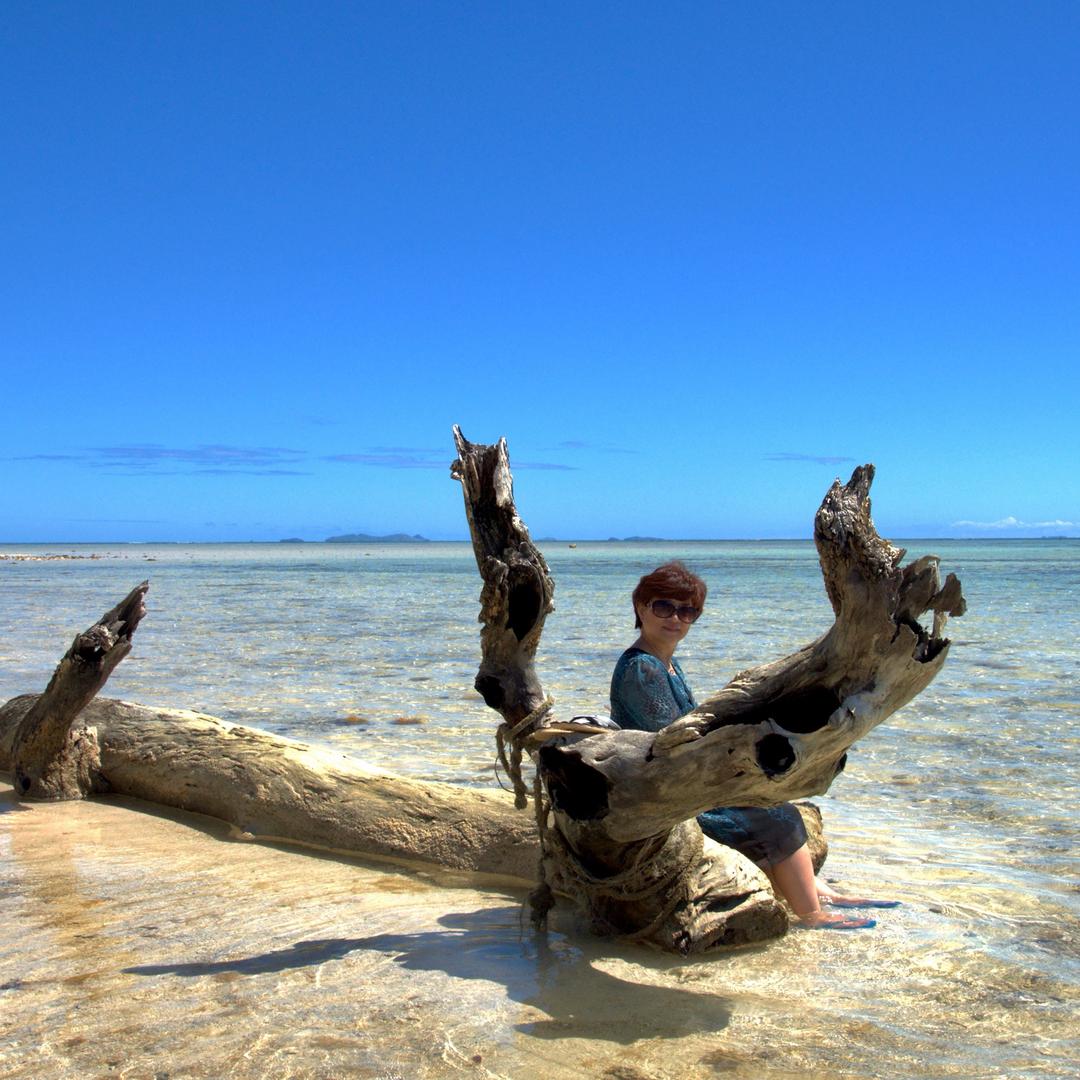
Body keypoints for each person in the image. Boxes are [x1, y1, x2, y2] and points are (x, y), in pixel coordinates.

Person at [610, 561, 897, 930]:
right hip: (668, 791)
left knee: (774, 797)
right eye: (664, 607)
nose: (676, 619)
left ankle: (816, 889)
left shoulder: (666, 663)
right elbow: (668, 742)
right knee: (779, 817)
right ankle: (812, 914)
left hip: (681, 778)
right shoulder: (642, 669)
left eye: (687, 611)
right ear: (641, 607)